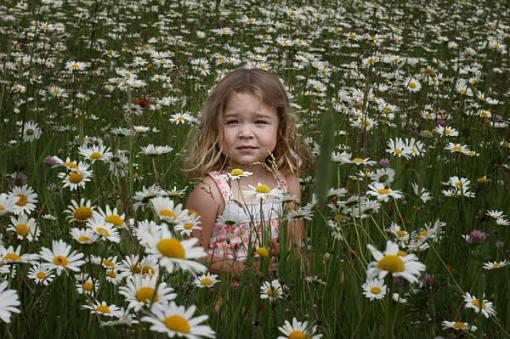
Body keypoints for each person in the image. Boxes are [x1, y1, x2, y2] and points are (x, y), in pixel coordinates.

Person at [184, 68, 311, 277]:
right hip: (224, 296)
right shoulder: (210, 192)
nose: (245, 133)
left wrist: (289, 255)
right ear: (216, 128)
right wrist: (243, 270)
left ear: (281, 127)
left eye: (260, 122)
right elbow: (189, 255)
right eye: (232, 122)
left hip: (277, 291)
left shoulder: (288, 182)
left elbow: (295, 244)